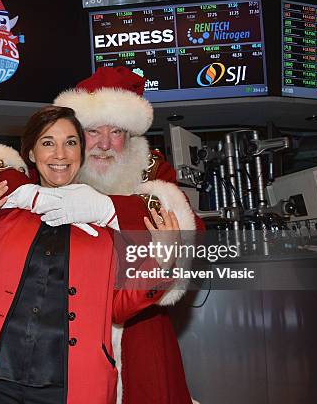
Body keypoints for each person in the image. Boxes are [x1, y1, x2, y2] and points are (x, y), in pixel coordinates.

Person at [0, 106, 182, 404]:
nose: (60, 154)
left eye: (71, 142)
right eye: (48, 143)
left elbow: (119, 307)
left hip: (72, 382)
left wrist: (163, 262)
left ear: (81, 151)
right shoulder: (5, 215)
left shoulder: (105, 222)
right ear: (31, 153)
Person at [53, 66, 202, 404]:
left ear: (130, 137)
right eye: (94, 131)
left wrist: (106, 209)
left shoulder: (157, 175)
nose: (105, 144)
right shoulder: (55, 172)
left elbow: (187, 238)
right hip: (70, 333)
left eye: (116, 131)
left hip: (140, 329)